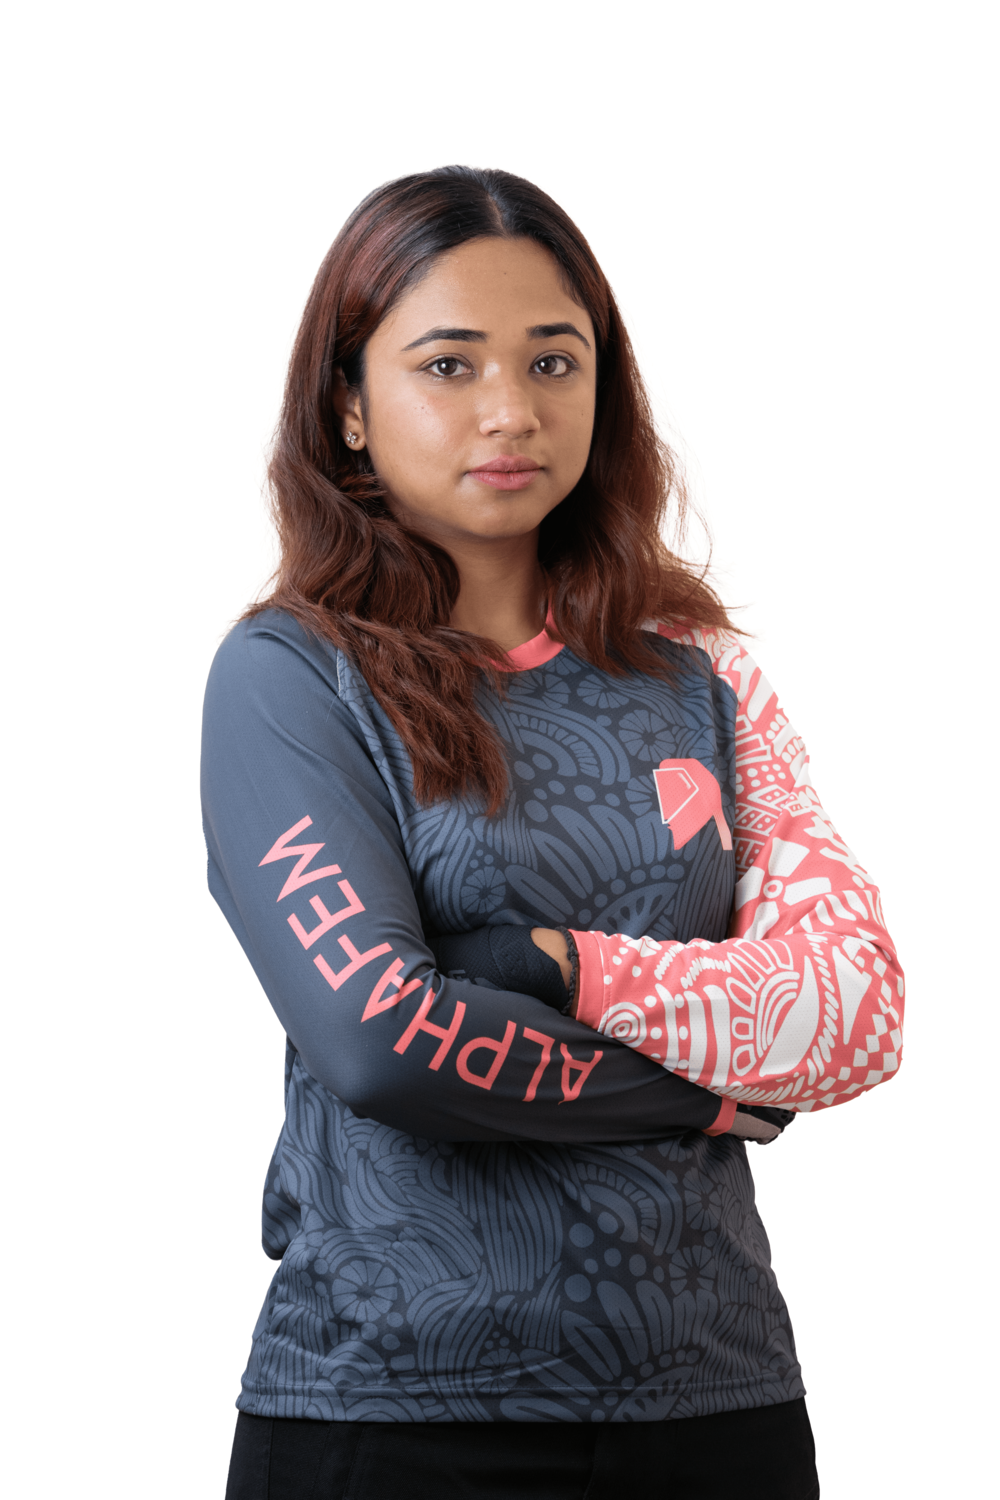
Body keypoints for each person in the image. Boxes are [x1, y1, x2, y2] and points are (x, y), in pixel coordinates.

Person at [202, 165, 903, 1500]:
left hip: (718, 1398)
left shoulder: (701, 677)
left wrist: (548, 965)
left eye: (553, 360)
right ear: (348, 404)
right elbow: (383, 1044)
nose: (511, 409)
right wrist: (710, 1091)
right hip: (395, 1411)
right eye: (448, 365)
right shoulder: (290, 681)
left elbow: (854, 1007)